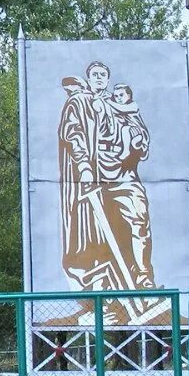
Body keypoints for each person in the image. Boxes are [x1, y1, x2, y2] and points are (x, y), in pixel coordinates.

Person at [56, 61, 159, 325]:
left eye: (104, 75)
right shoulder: (81, 104)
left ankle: (144, 283)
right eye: (95, 75)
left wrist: (136, 141)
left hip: (124, 175)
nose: (100, 78)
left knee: (138, 224)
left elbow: (140, 134)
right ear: (89, 79)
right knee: (99, 239)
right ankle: (107, 301)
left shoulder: (120, 104)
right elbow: (73, 135)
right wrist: (84, 168)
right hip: (96, 179)